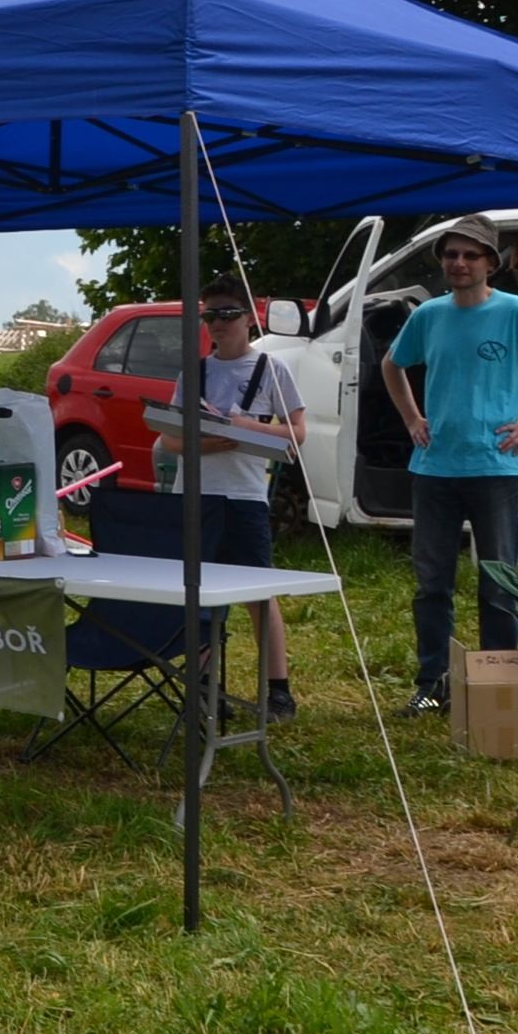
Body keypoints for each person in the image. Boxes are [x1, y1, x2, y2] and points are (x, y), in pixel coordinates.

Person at [382, 213, 518, 713]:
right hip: (434, 469)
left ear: (491, 263)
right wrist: (412, 417)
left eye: (470, 255)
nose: (459, 263)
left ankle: (497, 689)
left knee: (498, 583)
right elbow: (392, 364)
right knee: (432, 585)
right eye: (451, 255)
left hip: (496, 469)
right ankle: (433, 685)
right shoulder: (428, 315)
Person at [157, 273, 305, 723]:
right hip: (195, 495)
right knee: (196, 591)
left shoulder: (272, 369)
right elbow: (169, 439)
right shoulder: (194, 372)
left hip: (245, 495)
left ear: (249, 318)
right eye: (210, 317)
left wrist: (245, 427)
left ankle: (278, 690)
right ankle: (206, 687)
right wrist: (205, 442)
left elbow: (297, 433)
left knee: (259, 592)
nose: (218, 324)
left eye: (228, 314)